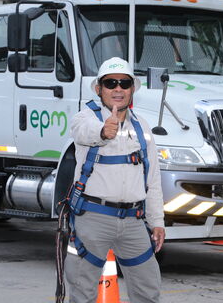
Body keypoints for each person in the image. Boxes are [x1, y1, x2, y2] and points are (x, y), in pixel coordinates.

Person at [65, 57, 165, 303]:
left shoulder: (142, 127)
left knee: (148, 290)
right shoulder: (85, 118)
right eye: (111, 83)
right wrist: (103, 131)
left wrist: (157, 221)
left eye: (124, 83)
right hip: (93, 219)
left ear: (132, 89)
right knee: (82, 291)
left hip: (134, 222)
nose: (118, 89)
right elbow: (83, 131)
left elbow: (152, 178)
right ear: (99, 89)